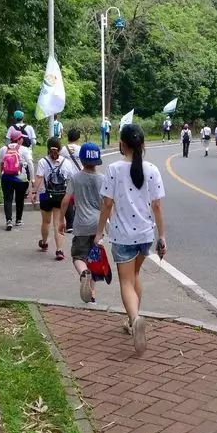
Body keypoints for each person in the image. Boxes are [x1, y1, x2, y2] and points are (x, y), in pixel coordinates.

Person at [95, 124, 166, 355]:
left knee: (126, 281)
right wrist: (162, 236)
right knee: (135, 275)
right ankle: (131, 320)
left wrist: (99, 232)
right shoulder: (153, 169)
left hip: (123, 235)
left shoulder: (113, 169)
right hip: (145, 234)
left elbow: (107, 204)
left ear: (122, 144)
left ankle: (135, 319)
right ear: (143, 144)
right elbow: (157, 205)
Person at [60, 143, 105, 303]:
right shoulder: (102, 179)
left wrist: (61, 220)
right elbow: (107, 204)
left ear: (82, 159)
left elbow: (66, 200)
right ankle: (92, 295)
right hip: (98, 225)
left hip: (81, 225)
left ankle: (83, 273)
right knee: (94, 259)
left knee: (78, 256)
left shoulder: (75, 178)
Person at [31, 138, 71, 260]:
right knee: (57, 223)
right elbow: (71, 180)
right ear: (60, 148)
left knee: (46, 221)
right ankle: (59, 250)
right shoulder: (66, 162)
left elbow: (39, 178)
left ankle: (44, 243)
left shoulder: (43, 161)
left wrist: (33, 192)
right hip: (61, 196)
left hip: (45, 195)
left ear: (48, 148)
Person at [0, 129, 35, 230]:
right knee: (20, 199)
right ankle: (18, 220)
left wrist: (0, 174)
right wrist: (32, 178)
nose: (22, 139)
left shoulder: (3, 149)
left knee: (7, 199)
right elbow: (30, 164)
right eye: (21, 138)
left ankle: (8, 220)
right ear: (19, 139)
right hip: (21, 178)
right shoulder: (24, 149)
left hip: (6, 177)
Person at [61, 129, 83, 233]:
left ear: (68, 137)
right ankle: (79, 221)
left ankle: (70, 224)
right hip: (79, 176)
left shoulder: (63, 150)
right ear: (78, 138)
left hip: (66, 177)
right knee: (79, 198)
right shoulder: (81, 149)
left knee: (68, 198)